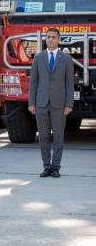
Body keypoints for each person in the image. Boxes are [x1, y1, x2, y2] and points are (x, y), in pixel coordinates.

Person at [28, 27, 74, 178]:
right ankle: (46, 166)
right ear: (45, 39)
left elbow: (69, 84)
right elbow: (33, 82)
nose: (51, 39)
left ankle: (56, 167)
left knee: (58, 136)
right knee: (44, 136)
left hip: (59, 104)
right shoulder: (38, 58)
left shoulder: (66, 59)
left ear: (59, 40)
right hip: (41, 103)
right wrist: (31, 103)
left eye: (54, 37)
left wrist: (69, 104)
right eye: (48, 37)